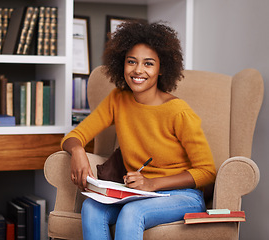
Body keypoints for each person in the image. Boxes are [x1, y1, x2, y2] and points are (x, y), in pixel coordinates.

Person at [61, 20, 216, 240]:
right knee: (91, 209)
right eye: (131, 61)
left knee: (132, 213)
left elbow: (208, 170)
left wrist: (153, 184)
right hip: (137, 193)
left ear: (161, 68)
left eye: (148, 63)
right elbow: (75, 136)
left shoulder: (179, 112)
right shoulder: (117, 100)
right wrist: (77, 151)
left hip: (182, 196)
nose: (138, 70)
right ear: (121, 64)